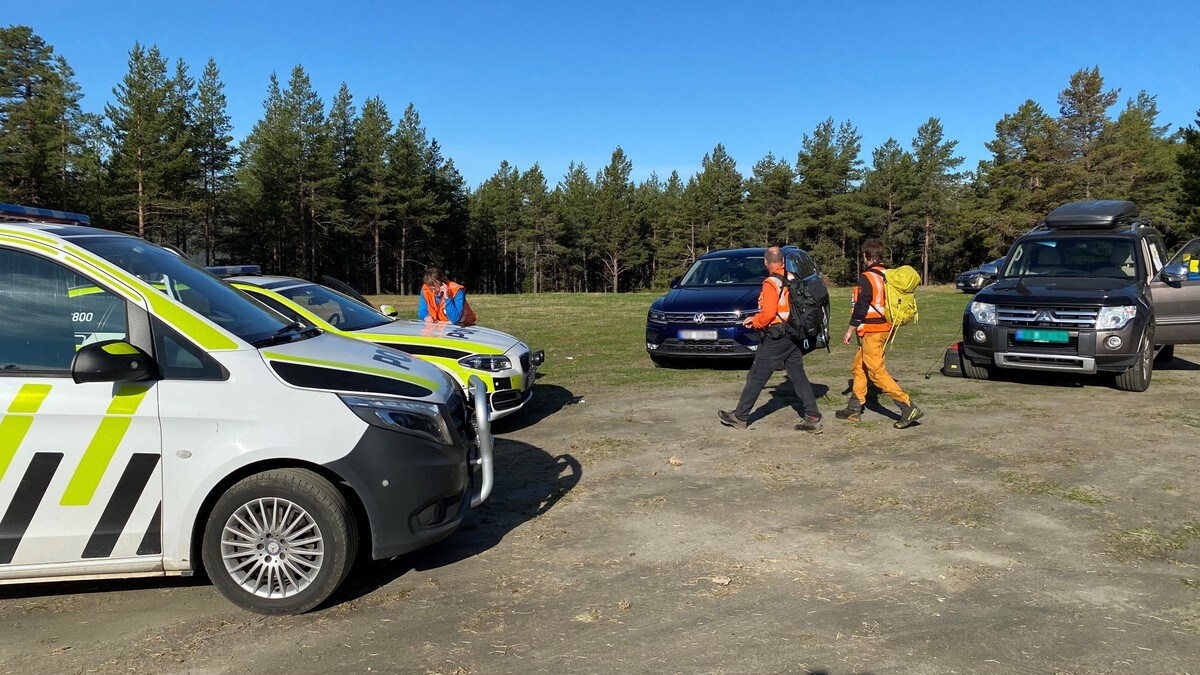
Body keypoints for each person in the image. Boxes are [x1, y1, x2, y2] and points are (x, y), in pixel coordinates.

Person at [719, 246, 823, 433]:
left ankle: (740, 417)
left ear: (766, 262)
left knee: (757, 376)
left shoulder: (771, 283)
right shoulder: (793, 277)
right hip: (794, 333)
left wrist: (755, 322)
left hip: (777, 335)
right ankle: (813, 416)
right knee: (797, 375)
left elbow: (767, 314)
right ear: (783, 261)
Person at [837, 239, 923, 429]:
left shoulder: (867, 277)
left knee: (876, 372)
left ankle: (908, 407)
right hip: (887, 328)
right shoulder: (889, 274)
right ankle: (854, 407)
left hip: (873, 330)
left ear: (867, 256)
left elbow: (862, 305)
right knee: (859, 366)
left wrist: (850, 329)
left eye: (863, 256)